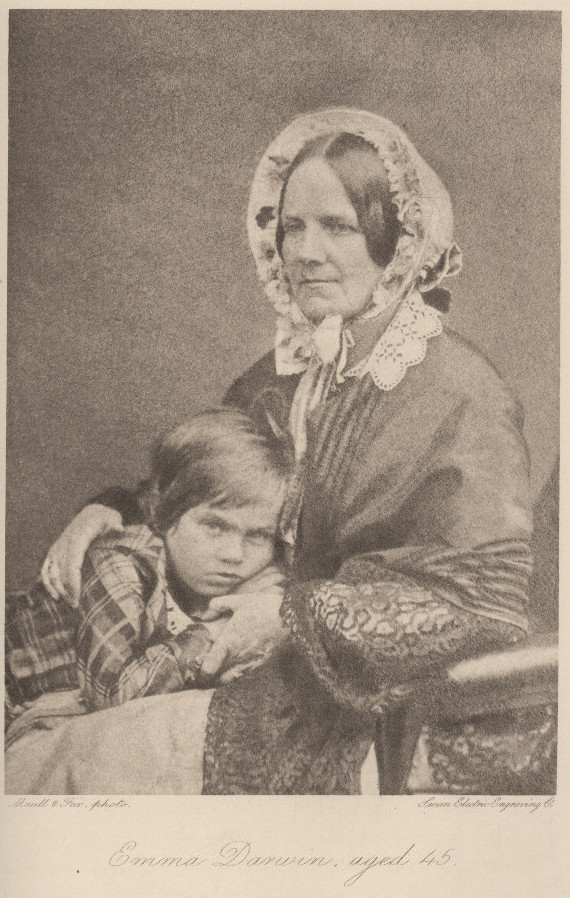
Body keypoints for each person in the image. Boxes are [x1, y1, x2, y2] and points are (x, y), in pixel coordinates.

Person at [19, 108, 533, 793]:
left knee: (66, 768)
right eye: (292, 226)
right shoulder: (279, 374)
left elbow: (486, 604)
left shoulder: (460, 389)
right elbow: (203, 485)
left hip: (368, 708)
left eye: (339, 227)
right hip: (242, 671)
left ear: (397, 241)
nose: (306, 251)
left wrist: (290, 615)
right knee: (36, 751)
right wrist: (108, 512)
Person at [6, 407, 290, 743]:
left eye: (258, 535)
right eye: (214, 526)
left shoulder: (258, 578)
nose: (234, 554)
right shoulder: (120, 558)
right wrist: (217, 630)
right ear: (167, 513)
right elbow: (114, 698)